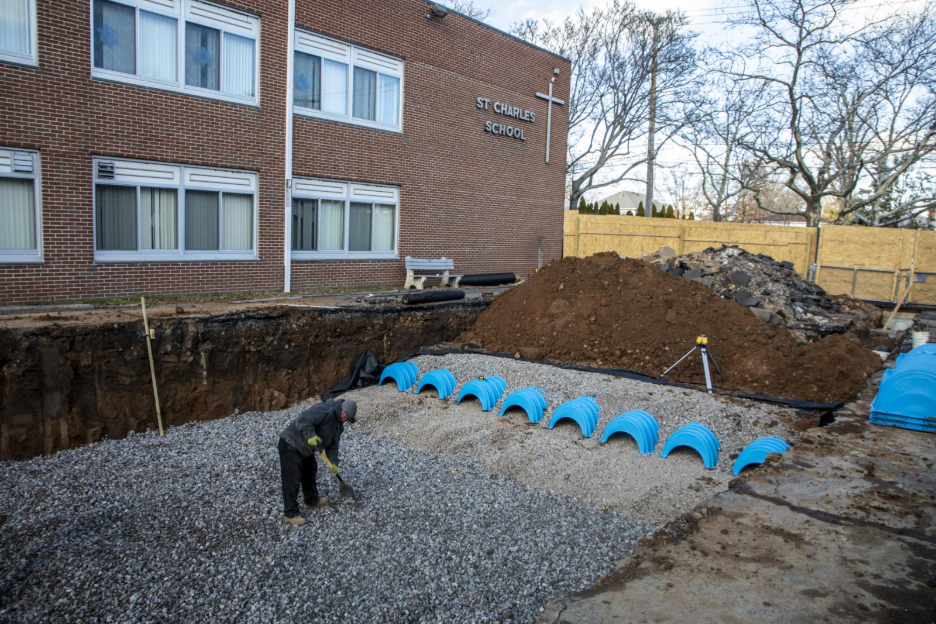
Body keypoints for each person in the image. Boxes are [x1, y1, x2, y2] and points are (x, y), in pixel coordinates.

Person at [278, 398, 357, 526]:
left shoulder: (338, 426)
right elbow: (303, 419)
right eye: (344, 413)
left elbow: (333, 446)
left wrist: (333, 462)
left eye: (348, 417)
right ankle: (290, 513)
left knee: (310, 471)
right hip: (291, 443)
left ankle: (311, 500)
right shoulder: (326, 410)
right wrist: (311, 435)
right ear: (341, 408)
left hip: (306, 449)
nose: (344, 416)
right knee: (292, 479)